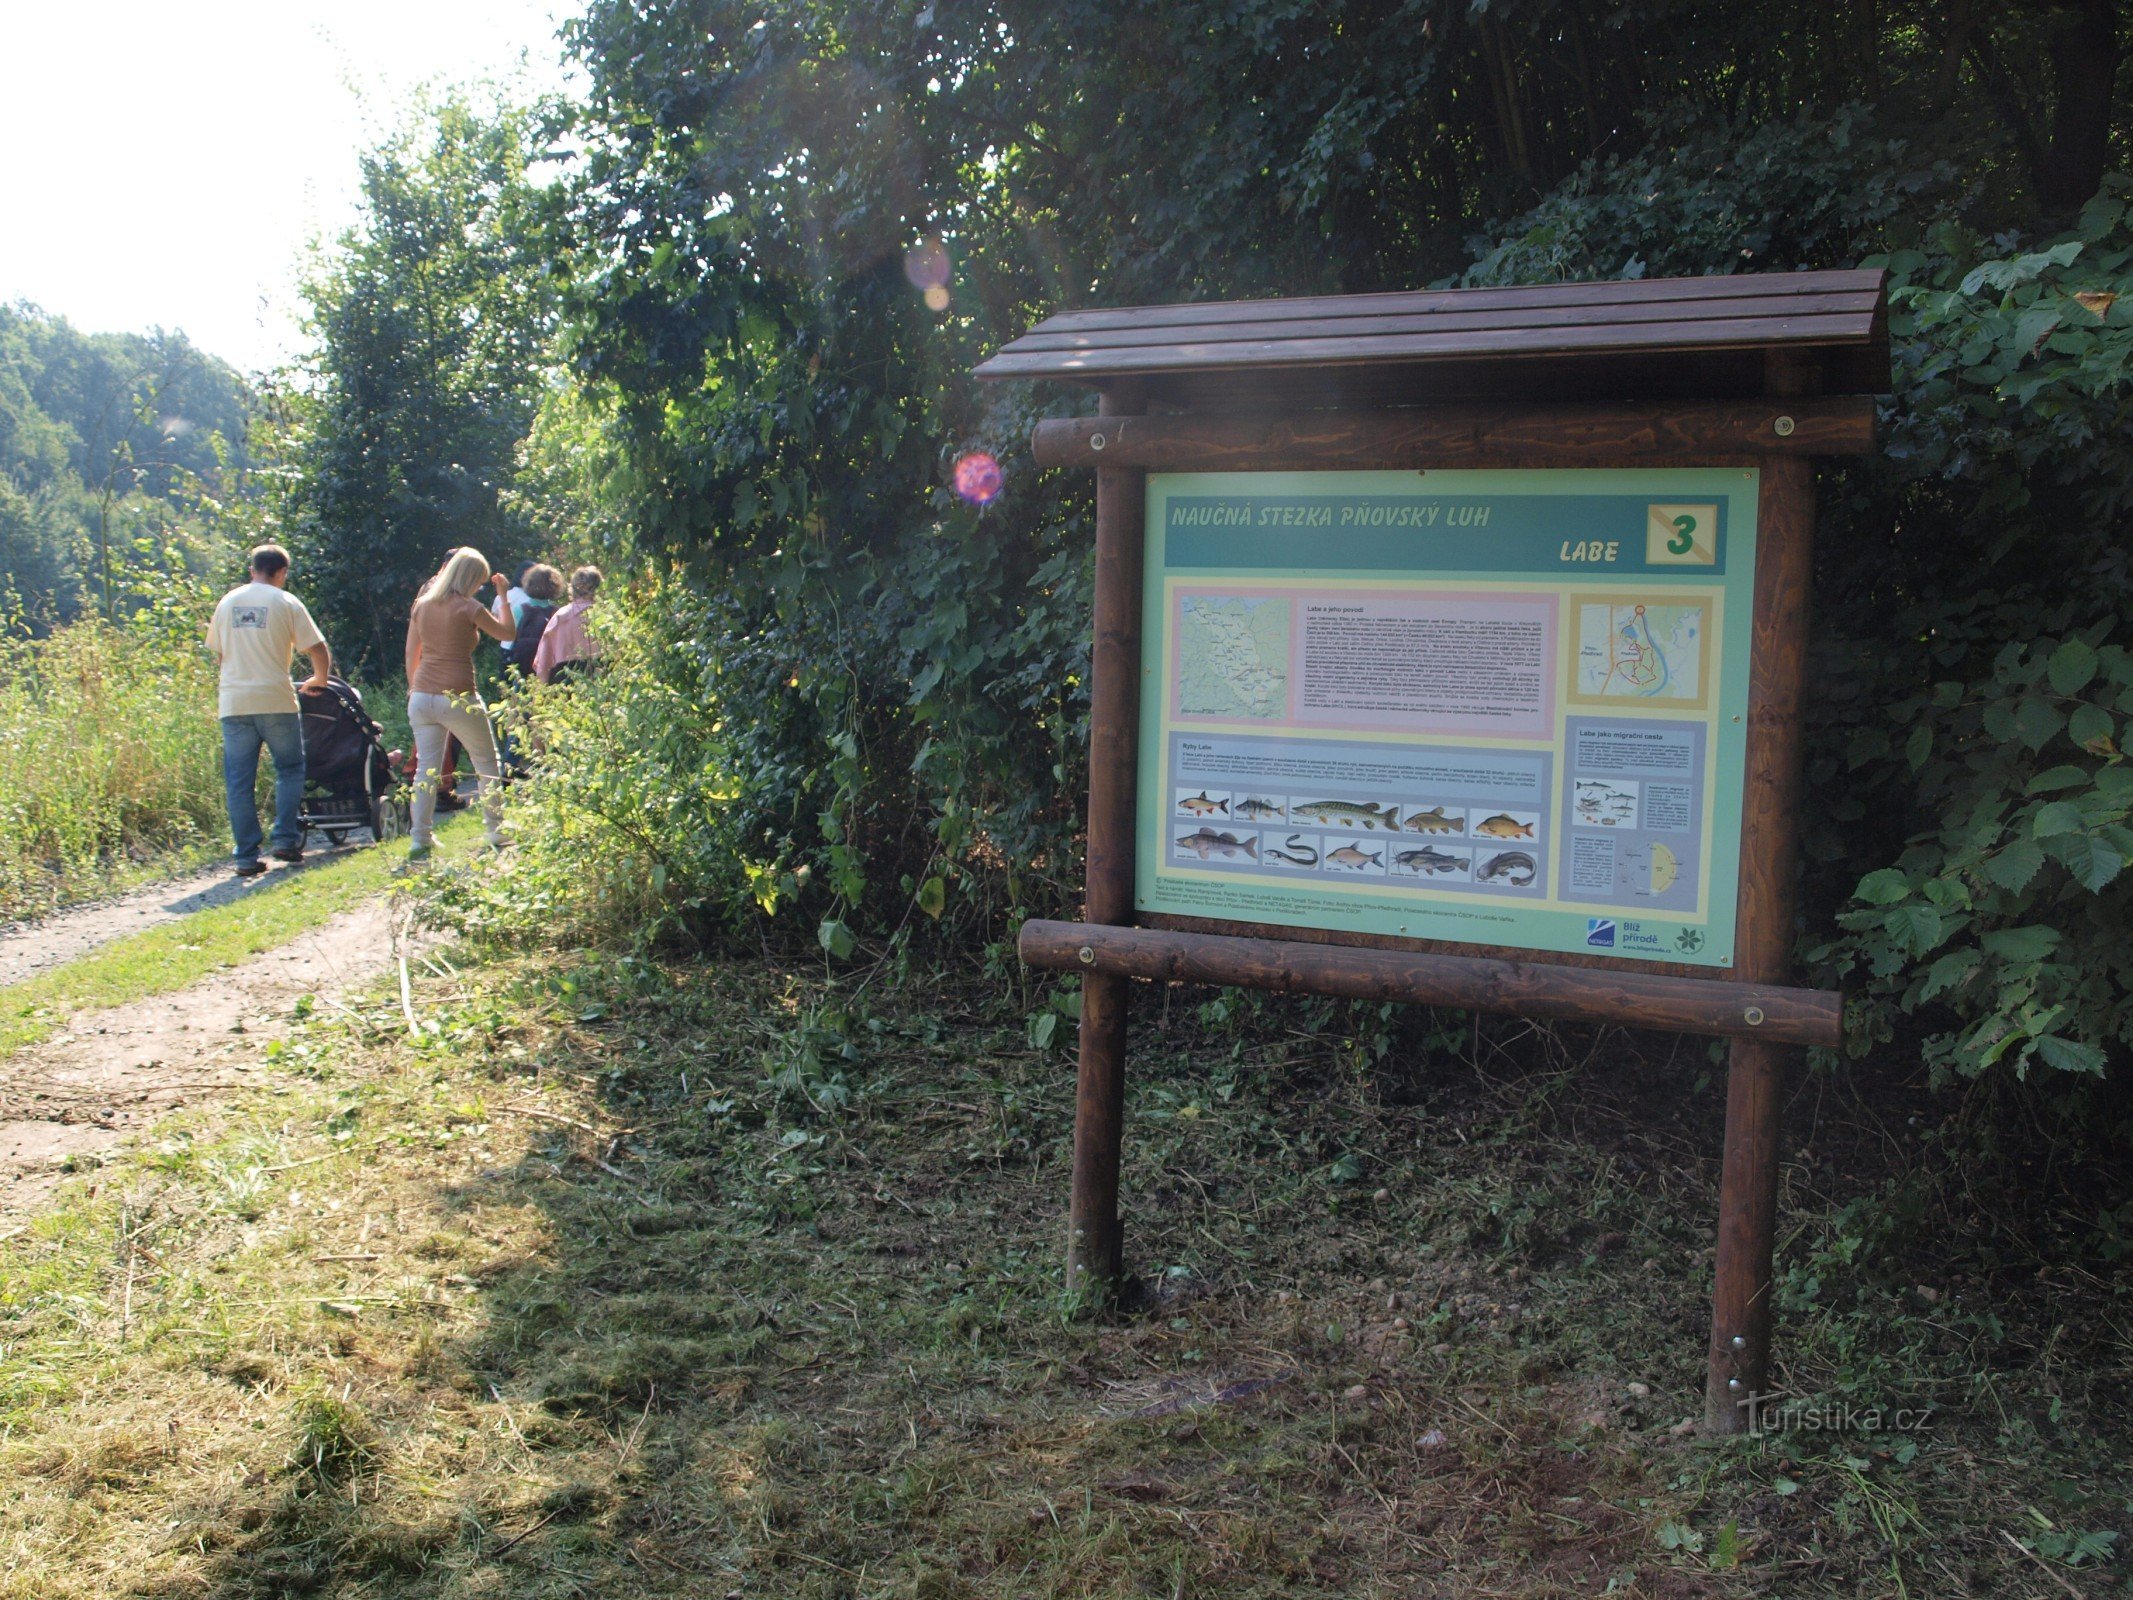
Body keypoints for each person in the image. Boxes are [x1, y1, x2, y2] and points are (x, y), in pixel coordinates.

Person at [205, 544, 332, 877]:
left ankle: (246, 857)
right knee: (289, 768)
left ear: (252, 570)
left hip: (234, 703)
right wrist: (319, 679)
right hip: (275, 699)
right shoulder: (286, 602)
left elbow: (220, 657)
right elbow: (317, 648)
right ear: (282, 572)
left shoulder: (227, 602)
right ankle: (285, 840)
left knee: (238, 782)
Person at [405, 547, 516, 861]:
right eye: (479, 581)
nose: (479, 587)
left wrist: (413, 689)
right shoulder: (470, 608)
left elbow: (412, 653)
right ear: (468, 578)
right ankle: (495, 828)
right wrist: (503, 595)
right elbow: (508, 633)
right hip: (459, 695)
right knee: (486, 762)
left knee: (425, 772)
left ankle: (420, 838)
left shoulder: (422, 605)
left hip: (422, 696)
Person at [534, 565, 603, 684]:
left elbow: (543, 663)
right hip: (601, 680)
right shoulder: (607, 617)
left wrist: (540, 692)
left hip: (565, 683)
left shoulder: (560, 618)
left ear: (573, 588)